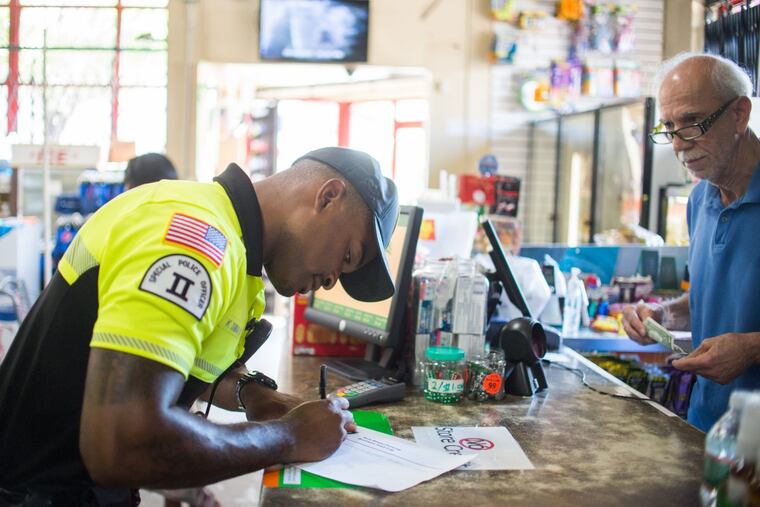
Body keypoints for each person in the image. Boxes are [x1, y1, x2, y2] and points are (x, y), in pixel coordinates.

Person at [0, 147, 399, 505]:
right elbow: (121, 444)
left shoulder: (232, 251)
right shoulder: (193, 240)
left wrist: (254, 396)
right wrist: (291, 437)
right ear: (328, 197)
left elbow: (164, 360)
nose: (332, 281)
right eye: (348, 256)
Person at [621, 52, 760, 432]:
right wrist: (664, 315)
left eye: (693, 122)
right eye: (668, 127)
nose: (679, 144)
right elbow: (713, 298)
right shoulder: (700, 200)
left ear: (739, 115)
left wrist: (751, 348)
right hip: (707, 426)